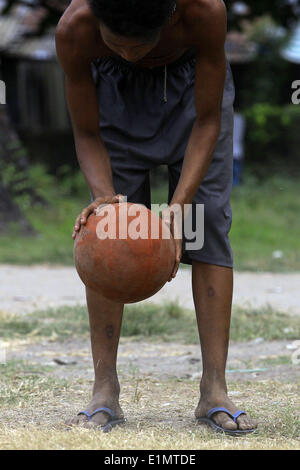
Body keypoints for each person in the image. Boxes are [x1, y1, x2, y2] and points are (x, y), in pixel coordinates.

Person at [55, 0, 257, 435]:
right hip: (115, 101)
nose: (128, 54)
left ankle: (214, 390)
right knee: (110, 233)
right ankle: (104, 390)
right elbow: (86, 132)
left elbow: (207, 122)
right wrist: (106, 201)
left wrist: (178, 211)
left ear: (169, 18)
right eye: (117, 46)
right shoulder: (76, 27)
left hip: (192, 100)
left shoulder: (204, 10)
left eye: (138, 47)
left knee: (207, 231)